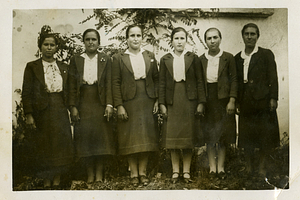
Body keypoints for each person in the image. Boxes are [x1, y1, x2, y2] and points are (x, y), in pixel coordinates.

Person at [22, 26, 74, 189]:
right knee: (44, 145)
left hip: (59, 109)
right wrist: (29, 114)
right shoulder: (32, 67)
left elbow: (70, 90)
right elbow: (27, 91)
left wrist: (71, 108)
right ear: (40, 46)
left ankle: (57, 180)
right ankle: (46, 181)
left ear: (57, 47)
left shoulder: (64, 66)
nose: (49, 48)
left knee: (59, 145)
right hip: (41, 111)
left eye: (52, 45)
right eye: (46, 44)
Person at [111, 24, 159, 186]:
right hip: (128, 101)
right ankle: (133, 172)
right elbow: (115, 83)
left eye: (138, 35)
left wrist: (157, 100)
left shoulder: (149, 55)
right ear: (127, 38)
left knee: (146, 135)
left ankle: (143, 172)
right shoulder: (118, 58)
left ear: (142, 38)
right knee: (130, 137)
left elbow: (156, 79)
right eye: (132, 35)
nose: (135, 39)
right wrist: (119, 105)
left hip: (146, 99)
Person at [68, 28, 115, 185]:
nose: (91, 42)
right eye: (87, 39)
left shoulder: (105, 59)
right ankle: (89, 175)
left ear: (99, 42)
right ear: (84, 42)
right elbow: (71, 85)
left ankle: (99, 174)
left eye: (94, 39)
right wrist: (73, 106)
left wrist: (109, 104)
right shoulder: (76, 60)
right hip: (84, 102)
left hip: (99, 101)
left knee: (101, 139)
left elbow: (109, 83)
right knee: (86, 139)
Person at [159, 27, 206, 183]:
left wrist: (200, 102)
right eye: (176, 38)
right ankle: (175, 171)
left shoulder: (193, 58)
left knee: (187, 138)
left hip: (189, 101)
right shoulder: (165, 59)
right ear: (171, 41)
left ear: (186, 40)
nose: (179, 41)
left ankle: (186, 171)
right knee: (173, 139)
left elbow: (200, 81)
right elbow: (162, 84)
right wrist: (162, 103)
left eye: (182, 38)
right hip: (172, 101)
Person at [235, 23, 280, 178]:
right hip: (245, 101)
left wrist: (273, 98)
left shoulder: (266, 54)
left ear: (257, 36)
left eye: (252, 34)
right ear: (242, 36)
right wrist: (237, 102)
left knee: (264, 135)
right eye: (246, 34)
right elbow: (236, 82)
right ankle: (248, 167)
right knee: (246, 135)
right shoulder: (237, 58)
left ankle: (261, 168)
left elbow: (273, 78)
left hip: (263, 101)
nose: (249, 37)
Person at [199, 27, 238, 180]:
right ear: (205, 41)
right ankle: (212, 168)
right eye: (209, 38)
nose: (212, 41)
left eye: (215, 37)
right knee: (209, 135)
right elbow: (199, 83)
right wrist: (201, 102)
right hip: (208, 99)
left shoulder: (229, 58)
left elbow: (234, 80)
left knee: (222, 135)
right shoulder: (201, 59)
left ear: (220, 39)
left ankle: (220, 168)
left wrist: (232, 100)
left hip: (223, 100)